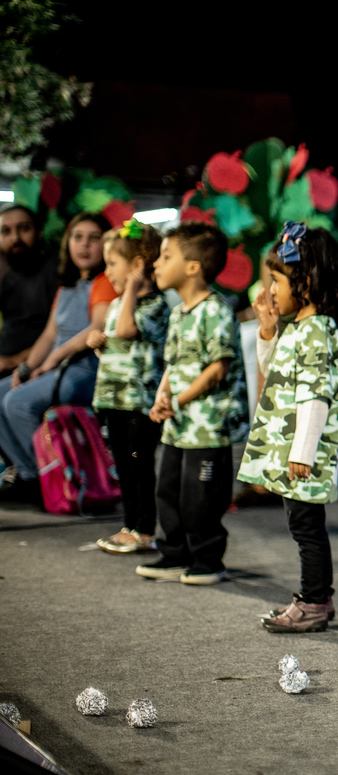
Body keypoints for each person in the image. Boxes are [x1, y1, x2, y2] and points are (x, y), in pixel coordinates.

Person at [239, 223, 338, 633]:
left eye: (277, 280)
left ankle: (313, 601)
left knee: (307, 528)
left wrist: (302, 451)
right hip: (292, 452)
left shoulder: (317, 330)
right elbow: (275, 373)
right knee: (304, 525)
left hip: (303, 455)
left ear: (305, 282)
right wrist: (268, 330)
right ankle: (320, 596)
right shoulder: (301, 328)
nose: (269, 290)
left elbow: (314, 395)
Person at [136, 222, 249, 585]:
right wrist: (162, 397)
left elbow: (217, 368)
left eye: (166, 256)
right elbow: (173, 364)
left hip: (208, 427)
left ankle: (207, 558)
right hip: (178, 425)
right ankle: (174, 554)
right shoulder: (178, 313)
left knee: (200, 497)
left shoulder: (215, 310)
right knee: (167, 490)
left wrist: (178, 400)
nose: (156, 264)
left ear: (193, 267)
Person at [0, 212, 115, 504]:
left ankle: (50, 479)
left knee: (17, 403)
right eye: (78, 237)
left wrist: (52, 359)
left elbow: (97, 327)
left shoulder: (105, 281)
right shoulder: (66, 286)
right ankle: (28, 473)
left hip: (83, 371)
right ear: (68, 243)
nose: (84, 245)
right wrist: (26, 367)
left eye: (93, 238)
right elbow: (50, 335)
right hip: (56, 369)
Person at [88, 220, 170, 553]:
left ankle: (145, 530)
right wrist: (98, 342)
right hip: (114, 399)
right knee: (123, 465)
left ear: (137, 265)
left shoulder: (155, 306)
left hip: (139, 403)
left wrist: (133, 291)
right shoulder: (120, 304)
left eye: (112, 264)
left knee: (139, 466)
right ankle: (129, 526)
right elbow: (116, 343)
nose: (107, 272)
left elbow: (126, 331)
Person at [0, 204, 58, 378]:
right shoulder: (8, 276)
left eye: (24, 229)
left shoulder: (57, 272)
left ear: (39, 232)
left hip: (35, 369)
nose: (15, 238)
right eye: (6, 231)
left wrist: (13, 361)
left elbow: (60, 334)